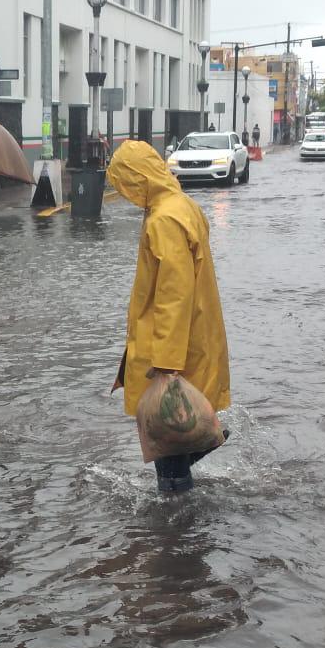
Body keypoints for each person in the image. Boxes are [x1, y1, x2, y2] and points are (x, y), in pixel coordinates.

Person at [105, 140, 231, 494]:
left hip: (170, 352)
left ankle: (177, 536)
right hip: (190, 339)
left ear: (137, 179)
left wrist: (165, 363)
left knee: (168, 447)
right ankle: (198, 450)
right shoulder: (181, 205)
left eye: (124, 184)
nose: (125, 193)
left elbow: (173, 294)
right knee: (172, 444)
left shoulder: (163, 218)